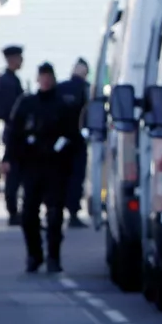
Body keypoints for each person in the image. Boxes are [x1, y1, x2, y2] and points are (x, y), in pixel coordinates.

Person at [2, 63, 80, 274]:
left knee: (55, 214)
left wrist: (65, 154)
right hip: (32, 166)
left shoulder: (62, 105)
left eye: (49, 77)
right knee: (29, 213)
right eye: (42, 77)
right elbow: (13, 134)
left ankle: (53, 256)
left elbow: (73, 136)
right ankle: (34, 255)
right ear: (37, 79)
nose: (45, 81)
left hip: (55, 166)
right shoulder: (27, 104)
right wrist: (9, 158)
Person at [0, 44, 26, 225]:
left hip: (14, 131)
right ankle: (13, 210)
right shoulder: (8, 81)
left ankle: (15, 209)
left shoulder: (10, 79)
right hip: (14, 132)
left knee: (16, 172)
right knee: (13, 173)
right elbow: (8, 110)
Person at [60, 58, 92, 228]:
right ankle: (73, 212)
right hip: (78, 141)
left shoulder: (60, 87)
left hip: (60, 142)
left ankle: (58, 209)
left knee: (61, 177)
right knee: (76, 176)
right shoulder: (86, 89)